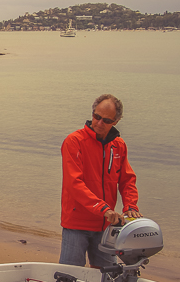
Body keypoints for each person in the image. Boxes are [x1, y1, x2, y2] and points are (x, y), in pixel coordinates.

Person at [59, 93, 140, 268]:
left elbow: (127, 180)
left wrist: (131, 206)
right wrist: (103, 208)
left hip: (105, 226)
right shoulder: (74, 142)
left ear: (116, 121)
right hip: (77, 224)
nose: (99, 123)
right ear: (92, 113)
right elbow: (74, 183)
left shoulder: (119, 145)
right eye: (97, 117)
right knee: (69, 276)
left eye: (106, 120)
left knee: (108, 276)